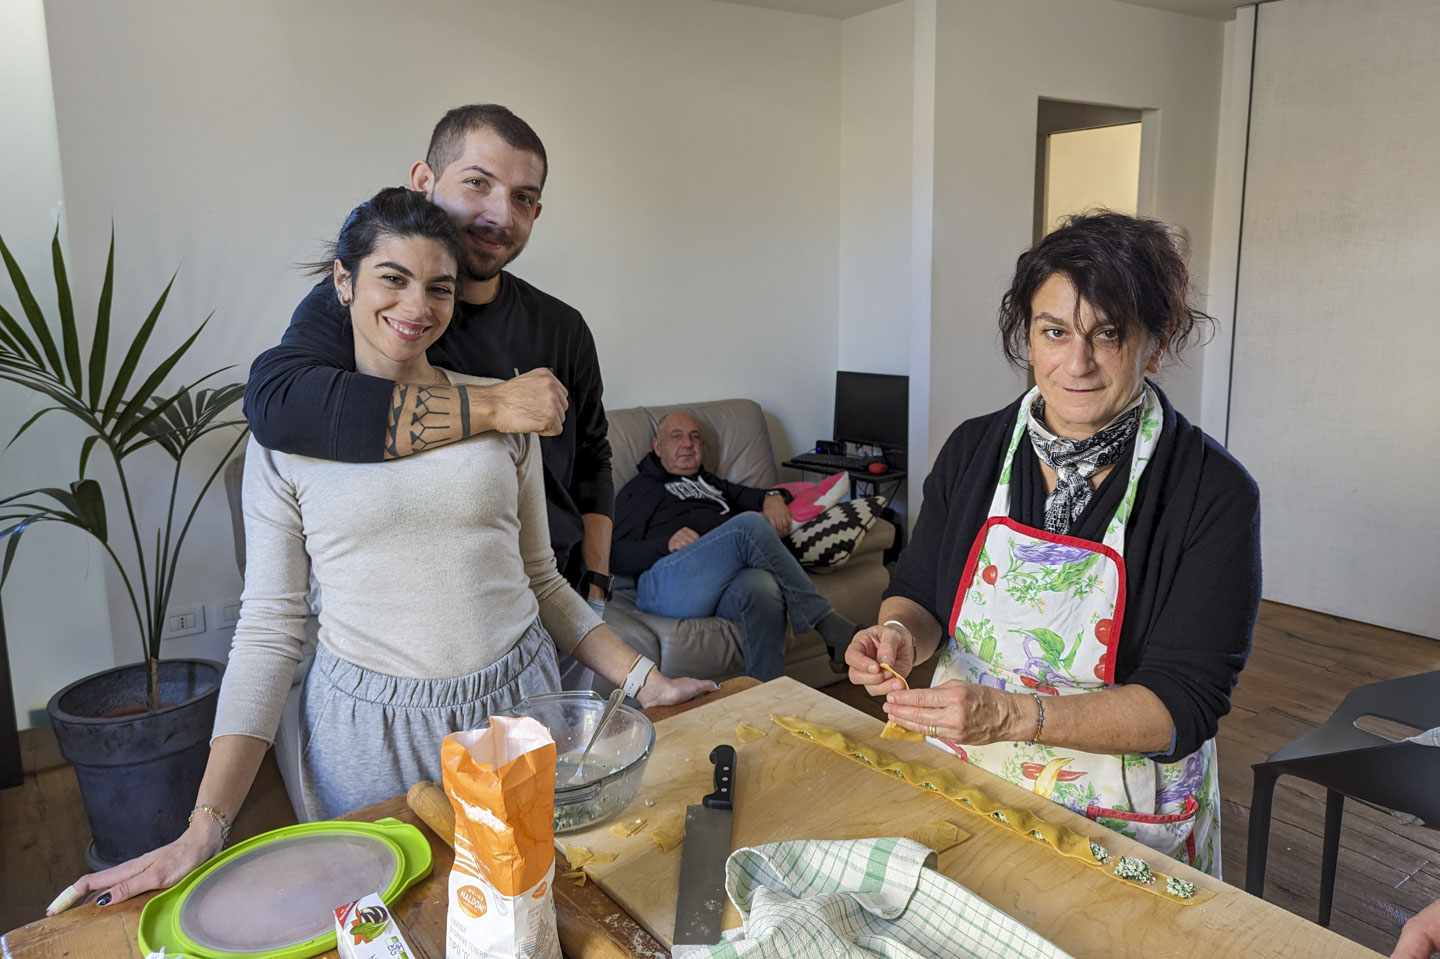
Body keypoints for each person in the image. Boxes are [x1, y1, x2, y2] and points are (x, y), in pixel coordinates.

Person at [66, 189, 714, 908]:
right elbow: (270, 629)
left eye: (439, 287)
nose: (417, 306)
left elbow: (540, 579)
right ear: (343, 282)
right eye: (392, 278)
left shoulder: (503, 410)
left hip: (517, 708)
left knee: (534, 913)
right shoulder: (291, 434)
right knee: (401, 923)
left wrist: (644, 681)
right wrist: (205, 826)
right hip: (371, 736)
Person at [846, 211, 1261, 877]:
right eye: (1055, 331)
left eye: (1109, 334)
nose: (1077, 363)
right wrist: (897, 633)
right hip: (967, 783)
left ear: (1155, 344)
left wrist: (1011, 714)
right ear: (1028, 337)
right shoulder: (975, 450)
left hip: (1122, 819)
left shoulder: (1211, 492)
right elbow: (921, 592)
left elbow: (1181, 703)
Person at [244, 104, 619, 608]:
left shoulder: (563, 326)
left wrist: (597, 581)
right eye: (477, 183)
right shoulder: (366, 308)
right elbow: (278, 403)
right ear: (425, 179)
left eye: (523, 198)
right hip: (431, 612)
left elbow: (593, 457)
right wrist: (495, 406)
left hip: (560, 598)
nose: (500, 215)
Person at [612, 411, 859, 680]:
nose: (688, 443)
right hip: (664, 584)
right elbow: (614, 556)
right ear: (657, 446)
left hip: (716, 584)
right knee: (747, 525)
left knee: (761, 586)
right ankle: (828, 623)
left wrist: (774, 496)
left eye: (696, 438)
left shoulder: (711, 483)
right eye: (677, 436)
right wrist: (665, 543)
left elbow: (758, 496)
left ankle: (768, 698)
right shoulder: (642, 488)